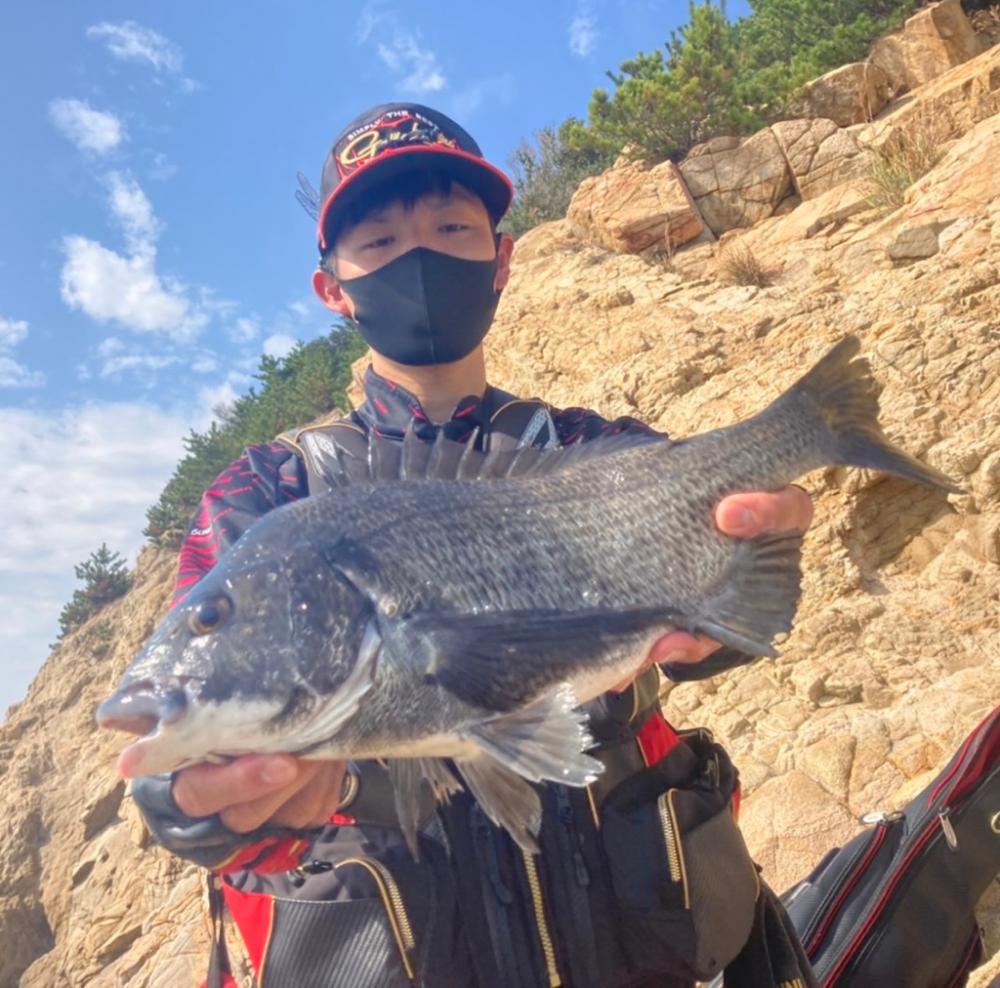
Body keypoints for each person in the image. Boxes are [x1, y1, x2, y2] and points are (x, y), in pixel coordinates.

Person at [132, 103, 817, 988]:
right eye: (377, 241)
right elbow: (185, 728)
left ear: (502, 259)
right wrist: (192, 808)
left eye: (453, 228)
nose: (418, 256)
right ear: (333, 287)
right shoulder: (268, 495)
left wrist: (755, 557)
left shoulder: (597, 452)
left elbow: (700, 642)